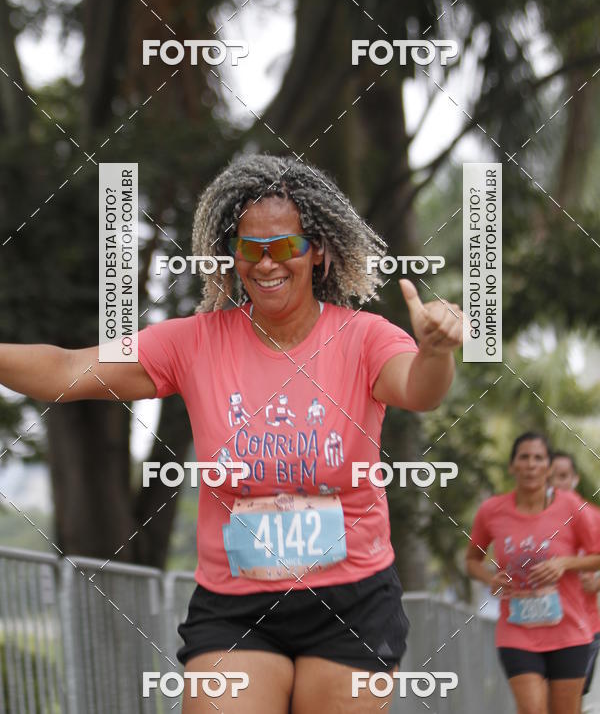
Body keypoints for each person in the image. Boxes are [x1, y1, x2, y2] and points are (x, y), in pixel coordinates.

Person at [0, 154, 464, 713]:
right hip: (237, 605)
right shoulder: (194, 343)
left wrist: (436, 351)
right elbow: (67, 371)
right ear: (231, 255)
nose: (268, 263)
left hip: (353, 601)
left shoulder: (364, 338)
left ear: (317, 251)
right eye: (250, 248)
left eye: (286, 246)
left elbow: (420, 389)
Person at [466, 432, 600, 714]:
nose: (530, 465)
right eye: (523, 457)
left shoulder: (572, 506)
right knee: (531, 709)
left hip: (569, 631)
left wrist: (564, 564)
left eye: (538, 458)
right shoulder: (492, 511)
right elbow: (472, 560)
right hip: (517, 632)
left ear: (549, 468)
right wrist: (490, 578)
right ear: (512, 466)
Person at [550, 451, 600, 713]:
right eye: (551, 478)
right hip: (539, 628)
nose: (557, 483)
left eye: (563, 476)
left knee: (571, 700)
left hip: (584, 627)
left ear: (575, 479)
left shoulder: (593, 516)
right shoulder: (533, 520)